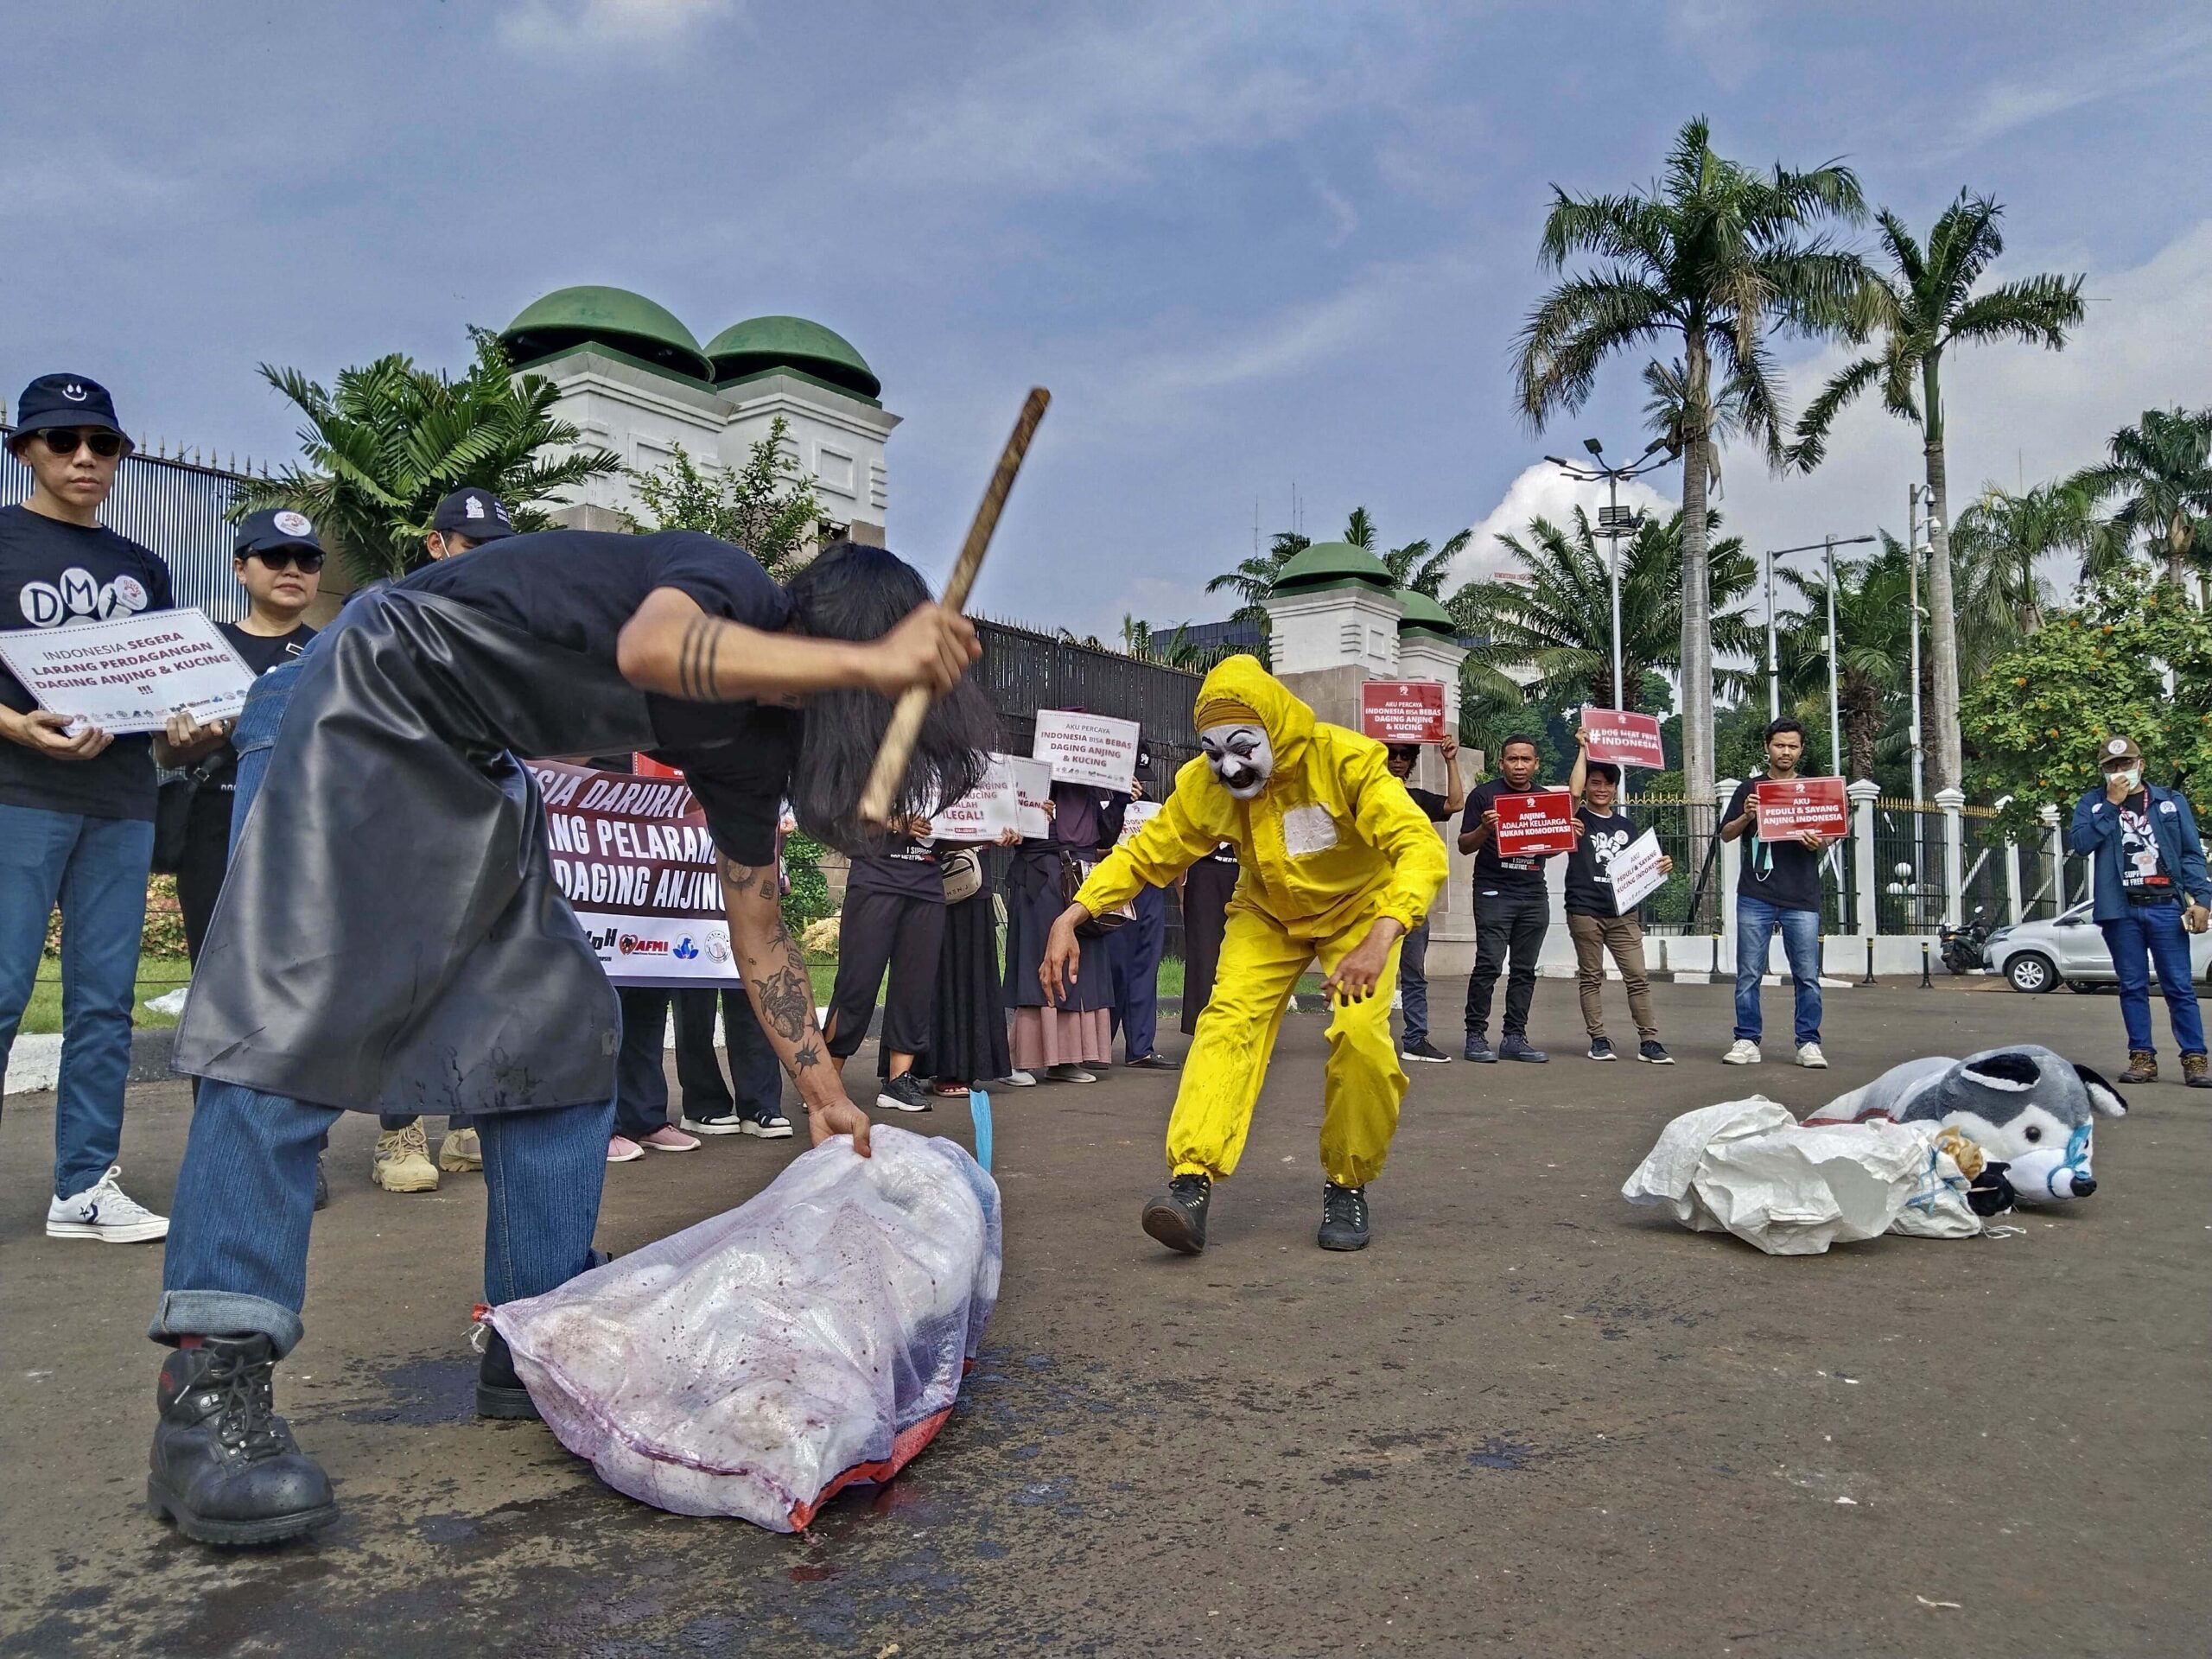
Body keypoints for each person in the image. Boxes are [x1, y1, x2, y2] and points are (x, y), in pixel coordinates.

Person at [145, 531, 987, 1547]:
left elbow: (759, 928)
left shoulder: (751, 744)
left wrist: (823, 1094)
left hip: (472, 758)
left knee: (560, 1032)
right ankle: (210, 1383)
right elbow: (652, 650)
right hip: (361, 697)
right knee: (284, 1027)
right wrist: (872, 661)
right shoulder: (725, 588)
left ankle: (533, 1334)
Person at [1042, 656, 1446, 1255]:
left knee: (1362, 1038)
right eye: (1213, 752)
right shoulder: (1207, 787)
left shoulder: (1346, 761)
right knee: (1226, 1024)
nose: (1229, 766)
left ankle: (1347, 1183)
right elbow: (1147, 852)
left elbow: (1419, 847)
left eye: (1241, 747)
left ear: (1276, 729)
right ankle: (1190, 1183)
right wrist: (1074, 913)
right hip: (1268, 914)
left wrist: (1385, 931)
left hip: (1363, 916)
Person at [0, 374, 173, 1244]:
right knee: (2, 990)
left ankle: (83, 1187)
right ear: (24, 448)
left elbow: (165, 691)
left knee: (104, 1004)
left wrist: (184, 720)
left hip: (121, 799)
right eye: (62, 440)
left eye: (102, 444)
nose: (83, 457)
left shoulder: (145, 566)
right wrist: (14, 725)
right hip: (18, 794)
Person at [366, 487, 518, 1190]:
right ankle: (398, 1131)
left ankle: (464, 1123)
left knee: (473, 975)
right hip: (402, 821)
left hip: (477, 820)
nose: (483, 561)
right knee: (402, 978)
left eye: (496, 551)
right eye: (471, 547)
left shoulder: (502, 627)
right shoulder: (387, 612)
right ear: (436, 545)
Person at [162, 512, 322, 963]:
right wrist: (204, 734)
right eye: (274, 557)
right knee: (214, 964)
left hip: (301, 824)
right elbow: (165, 754)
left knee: (295, 967)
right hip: (213, 822)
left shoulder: (334, 651)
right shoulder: (201, 647)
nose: (292, 570)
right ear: (240, 568)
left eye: (307, 560)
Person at [2069, 734, 2212, 1087]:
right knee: (2132, 986)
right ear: (2103, 770)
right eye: (2112, 766)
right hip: (2120, 911)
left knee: (2179, 986)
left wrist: (2202, 899)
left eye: (2126, 764)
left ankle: (2195, 1060)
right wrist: (2111, 804)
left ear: (2141, 765)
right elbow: (2081, 845)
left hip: (2166, 907)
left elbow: (2191, 854)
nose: (2120, 771)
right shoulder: (2092, 803)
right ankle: (2142, 1058)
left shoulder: (2170, 801)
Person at [1457, 734, 1579, 1063]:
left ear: (1536, 764)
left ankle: (1514, 1037)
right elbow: (1464, 846)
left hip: (1533, 893)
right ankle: (1475, 1035)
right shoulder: (1484, 796)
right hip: (1493, 890)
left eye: (1526, 759)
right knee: (1489, 964)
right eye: (1513, 759)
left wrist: (1567, 837)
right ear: (1501, 763)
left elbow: (1547, 850)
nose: (1519, 765)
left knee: (1524, 970)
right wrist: (1485, 829)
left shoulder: (1545, 799)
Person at [1719, 716, 1833, 1068]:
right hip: (1756, 894)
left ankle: (1808, 1043)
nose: (1786, 751)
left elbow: (1829, 834)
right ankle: (1746, 1039)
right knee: (1749, 974)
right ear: (1767, 747)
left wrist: (1818, 843)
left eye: (1792, 746)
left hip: (1802, 896)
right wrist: (1746, 816)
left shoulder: (1812, 790)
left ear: (1801, 750)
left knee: (1807, 975)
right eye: (1780, 745)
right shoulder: (1750, 789)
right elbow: (1726, 834)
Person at [1563, 728, 1673, 1064]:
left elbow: (1642, 866)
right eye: (1595, 782)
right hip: (1585, 910)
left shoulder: (1628, 826)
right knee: (1591, 977)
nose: (1601, 789)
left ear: (1615, 788)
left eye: (1607, 784)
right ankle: (1598, 1039)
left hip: (1624, 912)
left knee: (1638, 976)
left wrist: (1662, 865)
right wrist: (1583, 749)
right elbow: (1572, 792)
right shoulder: (1576, 818)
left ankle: (1649, 1041)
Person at [826, 813, 947, 1114]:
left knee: (916, 987)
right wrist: (893, 823)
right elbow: (839, 813)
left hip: (927, 881)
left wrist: (994, 830)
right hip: (875, 876)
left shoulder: (948, 781)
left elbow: (956, 828)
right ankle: (825, 1082)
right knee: (857, 983)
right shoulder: (870, 778)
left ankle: (899, 1081)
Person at [1004, 771, 1114, 1082]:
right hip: (1041, 876)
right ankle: (1017, 1059)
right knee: (1037, 961)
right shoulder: (1034, 770)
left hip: (1082, 877)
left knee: (1081, 968)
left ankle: (1065, 1059)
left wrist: (1120, 798)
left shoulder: (1091, 783)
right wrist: (1032, 816)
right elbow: (1011, 828)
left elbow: (1106, 837)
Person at [1382, 735, 1465, 1064]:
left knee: (1414, 975)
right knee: (1366, 974)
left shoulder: (1416, 799)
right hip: (1367, 902)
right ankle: (1359, 1041)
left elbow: (1455, 804)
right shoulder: (1360, 795)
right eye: (1391, 754)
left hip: (1410, 902)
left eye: (1404, 755)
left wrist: (1450, 759)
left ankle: (1415, 1040)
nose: (1397, 760)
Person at [1104, 748, 1176, 1071]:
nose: (1138, 784)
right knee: (1114, 966)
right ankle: (1099, 1045)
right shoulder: (1102, 803)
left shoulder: (1154, 807)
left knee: (1146, 967)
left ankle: (1141, 1047)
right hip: (1115, 886)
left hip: (1150, 888)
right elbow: (1098, 844)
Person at [1177, 839, 1242, 1037]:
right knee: (1204, 956)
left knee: (1247, 956)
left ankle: (1244, 1030)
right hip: (1204, 868)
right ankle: (1205, 1032)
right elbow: (1183, 838)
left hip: (1248, 870)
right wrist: (1182, 891)